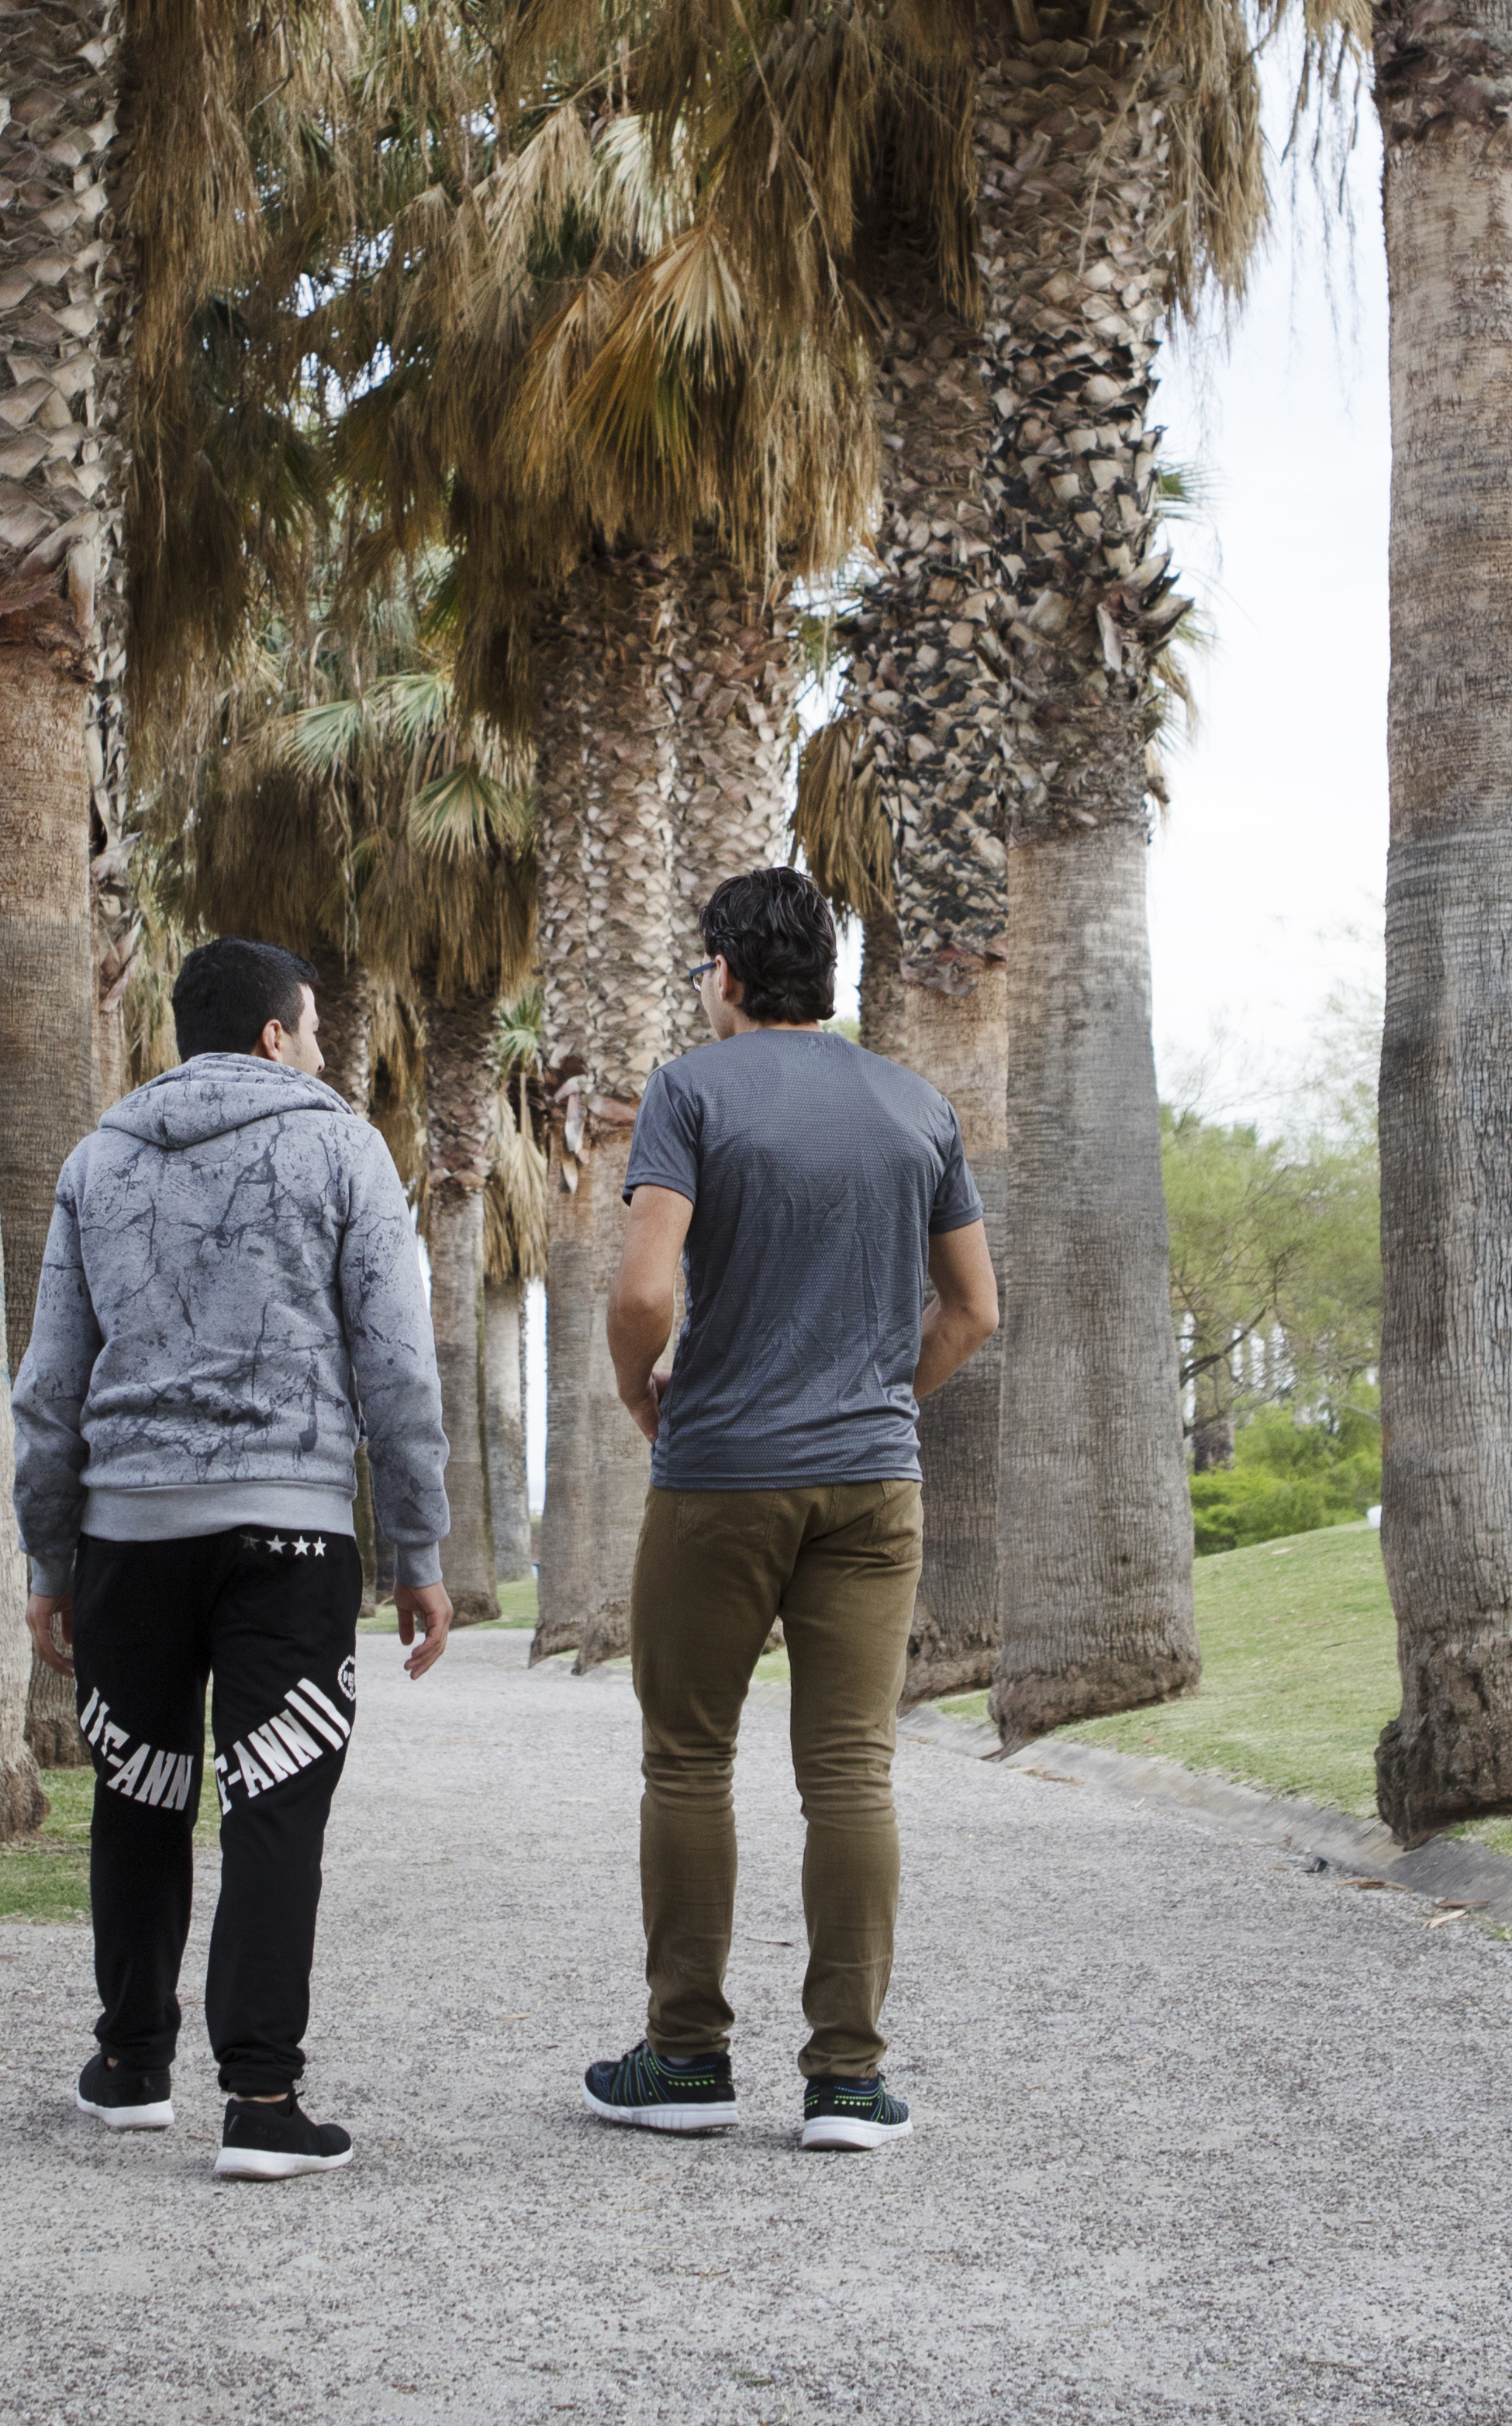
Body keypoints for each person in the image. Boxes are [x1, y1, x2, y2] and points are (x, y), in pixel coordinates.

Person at [15, 934, 455, 2183]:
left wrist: (50, 1560)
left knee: (140, 1792)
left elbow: (50, 1386)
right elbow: (395, 1364)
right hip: (290, 1527)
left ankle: (130, 2065)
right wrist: (415, 1548)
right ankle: (261, 2099)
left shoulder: (97, 1159)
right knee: (275, 1804)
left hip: (128, 1534)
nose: (316, 1053)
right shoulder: (337, 1144)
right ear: (276, 1034)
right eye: (310, 1031)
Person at [579, 868, 997, 2154]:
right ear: (826, 971)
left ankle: (687, 2060)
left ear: (721, 974)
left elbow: (647, 1292)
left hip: (720, 1479)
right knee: (850, 1772)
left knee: (689, 1759)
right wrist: (879, 1397)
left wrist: (642, 1395)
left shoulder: (691, 1091)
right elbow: (972, 1309)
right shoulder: (914, 1103)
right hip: (872, 1485)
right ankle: (848, 2082)